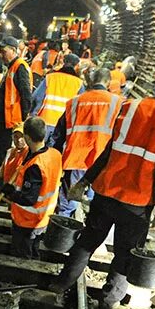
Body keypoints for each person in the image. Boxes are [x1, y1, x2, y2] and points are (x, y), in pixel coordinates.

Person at [46, 54, 155, 309]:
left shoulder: (131, 106)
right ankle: (106, 303)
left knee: (87, 241)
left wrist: (84, 181)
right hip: (137, 203)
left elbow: (108, 151)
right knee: (124, 253)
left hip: (106, 192)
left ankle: (60, 285)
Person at [50, 67, 124, 218]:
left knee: (68, 201)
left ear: (91, 81)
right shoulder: (119, 103)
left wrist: (54, 157)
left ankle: (61, 232)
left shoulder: (75, 102)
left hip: (76, 158)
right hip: (101, 162)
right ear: (108, 83)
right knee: (93, 204)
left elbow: (59, 134)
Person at [0, 118, 63, 258]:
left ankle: (24, 278)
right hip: (45, 217)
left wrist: (10, 193)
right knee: (34, 249)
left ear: (27, 137)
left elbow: (29, 199)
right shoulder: (55, 154)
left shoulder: (35, 166)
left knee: (22, 254)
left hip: (27, 221)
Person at [0, 36, 32, 171]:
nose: (1, 55)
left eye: (4, 51)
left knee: (1, 152)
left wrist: (23, 119)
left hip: (10, 119)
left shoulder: (20, 67)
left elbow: (26, 94)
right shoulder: (12, 66)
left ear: (13, 50)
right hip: (3, 118)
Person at [31, 53, 83, 145]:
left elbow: (37, 96)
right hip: (62, 126)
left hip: (44, 121)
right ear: (76, 66)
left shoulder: (50, 77)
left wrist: (33, 113)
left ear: (64, 62)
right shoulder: (79, 84)